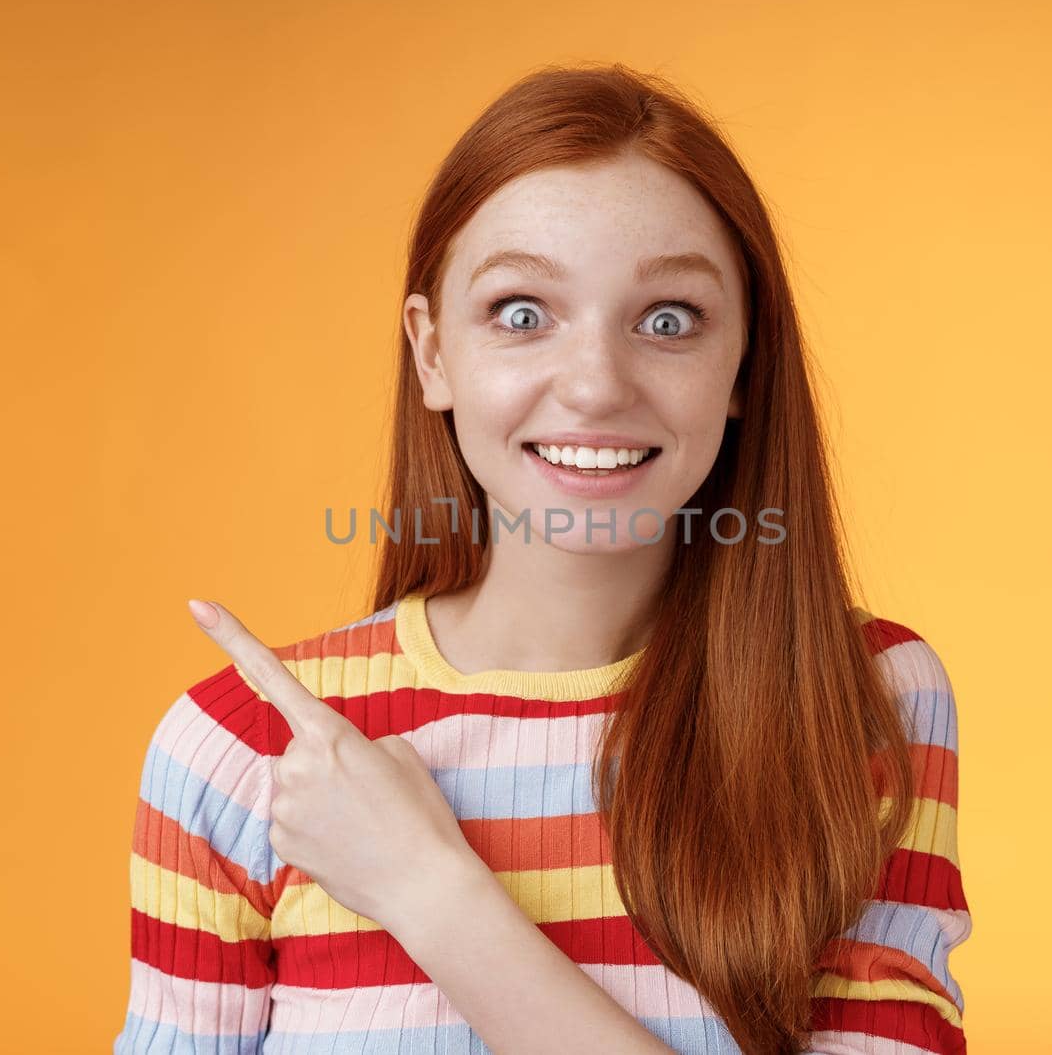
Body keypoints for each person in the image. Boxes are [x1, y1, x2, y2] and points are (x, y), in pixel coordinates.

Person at [113, 63, 970, 1055]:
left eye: (667, 319)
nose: (596, 386)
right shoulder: (240, 747)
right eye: (522, 312)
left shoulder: (861, 700)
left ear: (745, 363)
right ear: (433, 354)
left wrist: (426, 890)